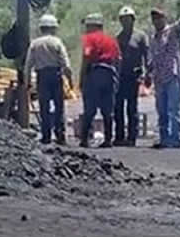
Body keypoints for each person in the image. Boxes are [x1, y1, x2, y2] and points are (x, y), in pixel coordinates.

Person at [144, 8, 180, 149]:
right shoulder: (153, 38)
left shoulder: (171, 32)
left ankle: (175, 139)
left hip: (172, 75)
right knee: (162, 110)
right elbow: (152, 58)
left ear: (164, 18)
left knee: (174, 109)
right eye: (154, 19)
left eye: (159, 18)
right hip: (159, 78)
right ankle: (164, 138)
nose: (157, 21)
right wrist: (148, 73)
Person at [24, 14, 73, 145]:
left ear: (41, 28)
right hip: (56, 75)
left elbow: (28, 65)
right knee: (59, 106)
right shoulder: (57, 42)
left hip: (42, 76)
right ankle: (60, 135)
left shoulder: (35, 44)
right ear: (53, 28)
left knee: (44, 107)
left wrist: (28, 82)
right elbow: (66, 64)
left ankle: (46, 136)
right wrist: (70, 80)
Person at [78, 13, 121, 148]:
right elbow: (118, 59)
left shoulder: (89, 38)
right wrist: (116, 76)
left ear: (92, 25)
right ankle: (108, 139)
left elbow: (87, 56)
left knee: (90, 108)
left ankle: (85, 139)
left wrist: (82, 77)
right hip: (109, 73)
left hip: (95, 73)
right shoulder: (111, 40)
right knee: (107, 109)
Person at [113, 6, 149, 147]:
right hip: (120, 76)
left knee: (132, 108)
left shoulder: (140, 36)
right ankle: (119, 136)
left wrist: (146, 73)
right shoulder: (118, 38)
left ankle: (132, 137)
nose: (126, 22)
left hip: (134, 76)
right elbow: (115, 58)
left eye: (128, 19)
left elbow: (146, 55)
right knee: (118, 107)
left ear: (133, 20)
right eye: (123, 20)